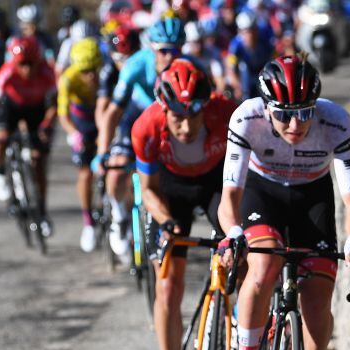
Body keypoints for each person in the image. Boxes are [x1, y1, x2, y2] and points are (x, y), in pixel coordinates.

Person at [217, 55, 350, 350]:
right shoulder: (246, 118)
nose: (295, 125)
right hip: (262, 194)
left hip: (312, 201)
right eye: (283, 115)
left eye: (304, 114)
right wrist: (234, 232)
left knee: (318, 300)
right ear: (266, 107)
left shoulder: (336, 122)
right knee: (264, 265)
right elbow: (230, 196)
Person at [132, 59, 238, 350]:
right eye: (177, 116)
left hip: (215, 185)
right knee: (167, 284)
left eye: (194, 114)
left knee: (243, 251)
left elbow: (244, 180)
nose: (187, 125)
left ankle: (238, 326)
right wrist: (166, 223)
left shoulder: (227, 113)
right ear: (164, 109)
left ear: (206, 106)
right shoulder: (146, 126)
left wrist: (233, 233)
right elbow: (147, 191)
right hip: (170, 193)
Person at [95, 17, 194, 261]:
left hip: (169, 124)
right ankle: (119, 216)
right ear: (151, 47)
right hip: (135, 118)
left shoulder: (190, 68)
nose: (170, 58)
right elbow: (112, 114)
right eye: (163, 51)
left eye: (176, 51)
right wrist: (101, 151)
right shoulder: (135, 66)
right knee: (117, 172)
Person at [0, 36, 58, 236]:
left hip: (36, 109)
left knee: (38, 160)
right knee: (1, 138)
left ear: (38, 61)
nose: (26, 70)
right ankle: (0, 172)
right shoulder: (6, 72)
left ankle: (41, 211)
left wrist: (46, 124)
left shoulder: (47, 73)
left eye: (30, 64)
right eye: (21, 65)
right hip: (12, 108)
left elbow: (55, 105)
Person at [58, 39, 102, 252]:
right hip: (82, 124)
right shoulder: (68, 78)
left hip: (103, 118)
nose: (91, 76)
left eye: (94, 69)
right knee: (85, 174)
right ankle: (88, 223)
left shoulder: (106, 71)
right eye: (86, 71)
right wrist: (74, 133)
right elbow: (63, 114)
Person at [224, 11, 274, 101]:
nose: (250, 35)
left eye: (253, 30)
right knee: (243, 67)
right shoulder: (235, 46)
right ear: (240, 32)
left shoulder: (264, 40)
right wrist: (237, 87)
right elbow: (230, 69)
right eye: (246, 32)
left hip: (263, 71)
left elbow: (274, 58)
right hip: (246, 75)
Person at [183, 20, 226, 94]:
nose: (198, 45)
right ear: (188, 42)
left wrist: (217, 97)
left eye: (200, 41)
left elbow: (220, 81)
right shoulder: (183, 55)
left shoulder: (213, 53)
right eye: (195, 42)